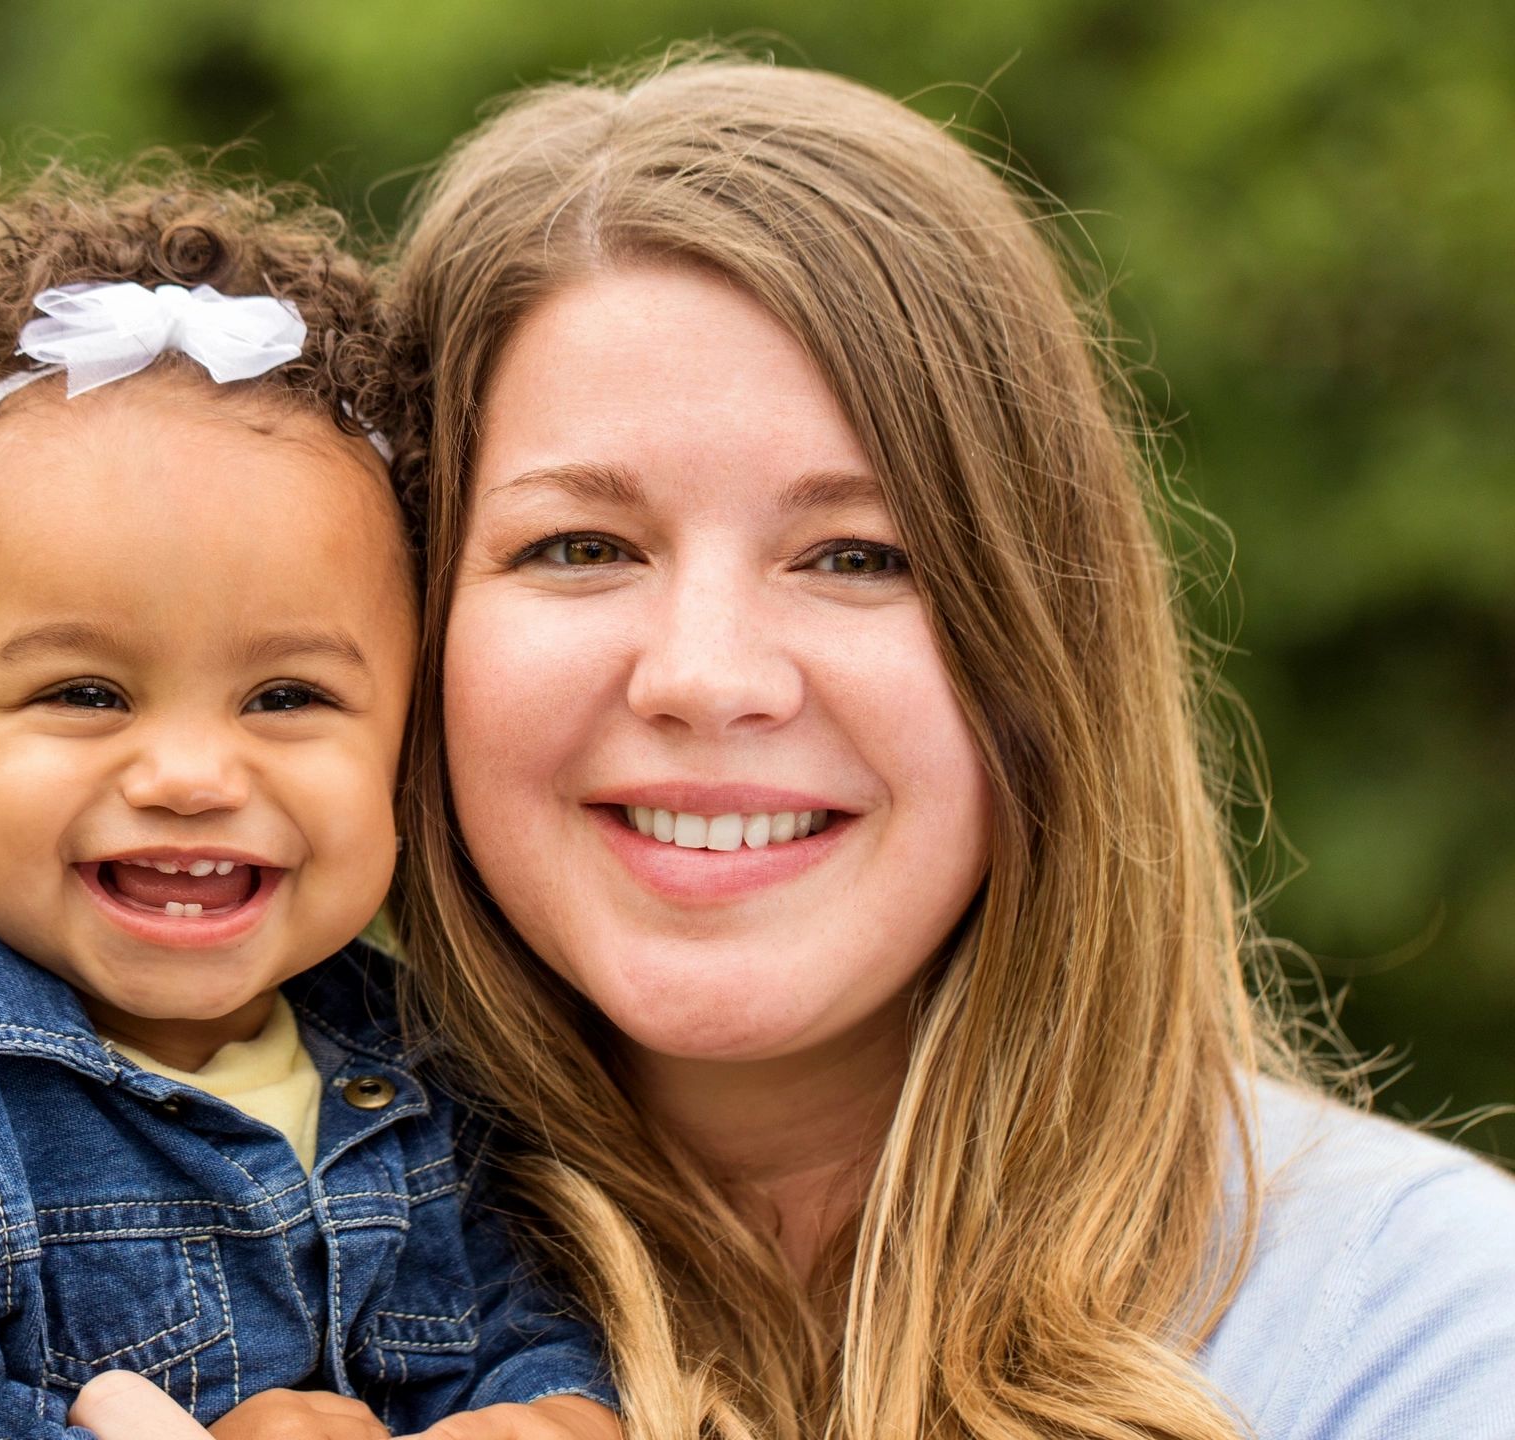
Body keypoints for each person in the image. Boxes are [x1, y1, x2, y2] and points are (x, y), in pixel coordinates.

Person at [376, 57, 1515, 1440]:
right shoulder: (138, 1281)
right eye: (581, 547)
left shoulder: (1420, 1324)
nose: (707, 677)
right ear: (403, 620)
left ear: (1047, 642)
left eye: (858, 555)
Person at [0, 166, 618, 1440]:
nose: (192, 777)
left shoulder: (440, 1070)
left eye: (286, 696)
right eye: (88, 693)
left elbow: (538, 1327)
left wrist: (543, 1414)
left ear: (410, 738)